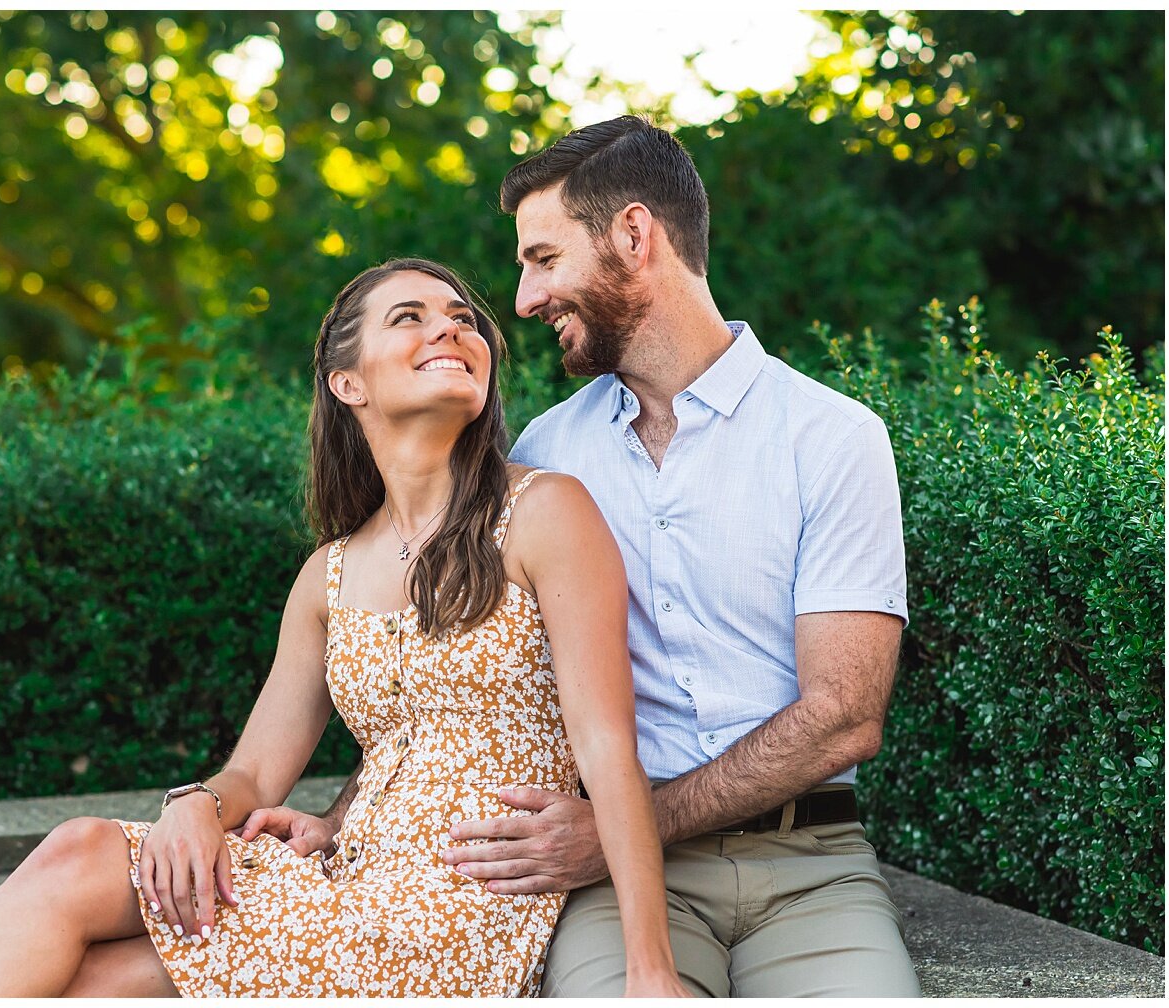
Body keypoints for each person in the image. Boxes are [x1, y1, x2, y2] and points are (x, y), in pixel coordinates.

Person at [0, 258, 686, 998]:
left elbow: (608, 747)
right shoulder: (327, 576)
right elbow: (257, 776)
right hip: (339, 877)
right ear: (348, 384)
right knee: (89, 926)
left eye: (463, 317)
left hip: (456, 913)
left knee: (92, 918)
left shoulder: (543, 511)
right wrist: (196, 805)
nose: (451, 327)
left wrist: (650, 973)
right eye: (408, 317)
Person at [252, 116, 922, 997]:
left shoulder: (831, 438)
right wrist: (346, 818)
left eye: (543, 259)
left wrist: (615, 824)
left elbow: (843, 716)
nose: (525, 300)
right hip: (610, 881)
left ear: (634, 236)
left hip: (810, 865)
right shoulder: (547, 455)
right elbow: (444, 685)